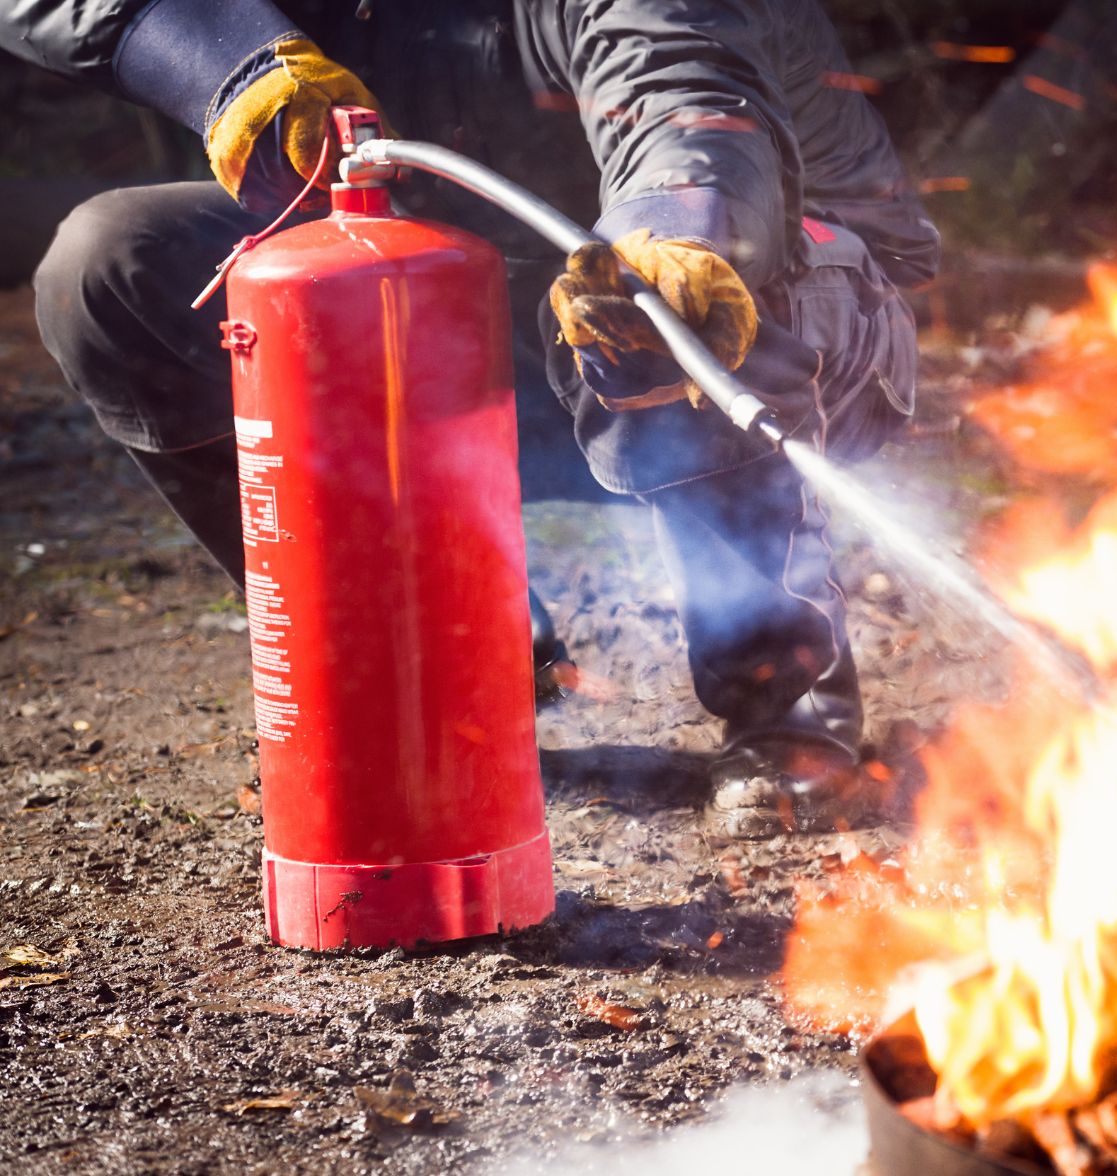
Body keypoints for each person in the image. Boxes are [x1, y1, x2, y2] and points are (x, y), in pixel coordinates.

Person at [3, 0, 940, 838]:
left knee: (662, 282)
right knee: (112, 264)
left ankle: (782, 701)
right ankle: (449, 670)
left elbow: (684, 89)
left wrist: (675, 224)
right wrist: (222, 57)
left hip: (788, 306)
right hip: (463, 306)